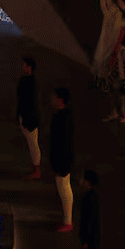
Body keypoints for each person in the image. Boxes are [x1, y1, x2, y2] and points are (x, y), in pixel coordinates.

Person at [92, 0, 125, 123]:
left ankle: (121, 112)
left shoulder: (115, 17)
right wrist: (122, 9)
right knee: (113, 85)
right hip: (111, 56)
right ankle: (118, 112)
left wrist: (123, 9)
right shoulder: (113, 17)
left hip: (115, 56)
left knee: (116, 85)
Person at [49, 87, 75, 231]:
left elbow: (62, 143)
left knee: (64, 189)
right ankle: (67, 219)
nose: (51, 99)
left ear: (60, 100)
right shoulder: (65, 115)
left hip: (62, 160)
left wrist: (57, 163)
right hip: (63, 160)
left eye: (54, 97)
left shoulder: (62, 118)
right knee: (64, 188)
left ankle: (67, 221)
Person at [77, 169, 101, 249]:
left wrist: (85, 240)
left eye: (83, 179)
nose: (81, 181)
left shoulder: (88, 199)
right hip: (96, 237)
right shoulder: (94, 196)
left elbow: (87, 221)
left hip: (89, 238)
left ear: (88, 182)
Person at [16, 57, 41, 179]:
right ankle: (35, 168)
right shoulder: (29, 81)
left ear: (29, 67)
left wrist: (24, 118)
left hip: (28, 119)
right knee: (32, 144)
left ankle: (36, 169)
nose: (22, 67)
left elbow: (28, 102)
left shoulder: (28, 83)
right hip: (27, 117)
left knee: (33, 144)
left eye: (25, 65)